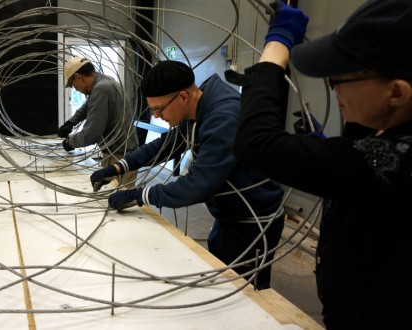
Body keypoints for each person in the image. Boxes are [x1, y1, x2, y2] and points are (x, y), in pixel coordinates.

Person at [230, 0, 412, 328]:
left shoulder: (398, 160)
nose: (333, 88)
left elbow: (254, 143)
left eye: (340, 79)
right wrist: (335, 148)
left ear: (397, 92)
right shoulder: (399, 127)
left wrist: (276, 49)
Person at [91, 60, 286, 290]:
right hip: (228, 214)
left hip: (253, 220)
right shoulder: (198, 104)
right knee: (220, 275)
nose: (157, 115)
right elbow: (167, 144)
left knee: (242, 294)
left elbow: (197, 185)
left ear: (183, 96)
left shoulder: (223, 117)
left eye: (159, 109)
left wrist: (140, 194)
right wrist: (118, 167)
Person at [60, 56, 139, 188]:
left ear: (79, 77)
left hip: (119, 158)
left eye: (73, 86)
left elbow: (91, 134)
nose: (75, 89)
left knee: (117, 203)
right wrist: (71, 122)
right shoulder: (105, 82)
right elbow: (89, 104)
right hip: (119, 154)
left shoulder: (101, 89)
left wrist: (70, 142)